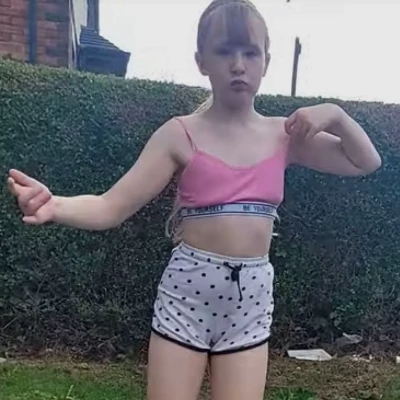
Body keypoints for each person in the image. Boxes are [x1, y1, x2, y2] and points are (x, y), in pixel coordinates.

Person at [7, 0, 381, 399]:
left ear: (266, 62)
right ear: (202, 61)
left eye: (250, 52)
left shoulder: (285, 137)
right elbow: (110, 206)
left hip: (250, 308)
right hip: (186, 301)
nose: (238, 65)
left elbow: (366, 161)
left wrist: (336, 115)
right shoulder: (179, 134)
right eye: (224, 51)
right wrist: (55, 205)